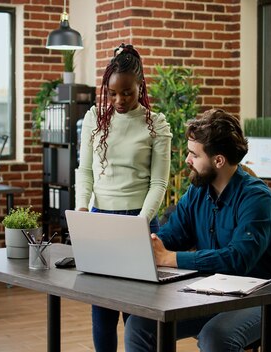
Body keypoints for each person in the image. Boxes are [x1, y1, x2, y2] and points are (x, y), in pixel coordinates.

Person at [123, 108, 271, 351]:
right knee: (141, 324)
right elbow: (174, 235)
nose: (187, 161)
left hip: (267, 297)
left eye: (194, 154)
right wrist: (148, 244)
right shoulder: (198, 191)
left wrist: (171, 258)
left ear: (219, 160)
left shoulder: (257, 199)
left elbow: (237, 259)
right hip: (215, 292)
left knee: (216, 337)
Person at [75, 43, 172, 351]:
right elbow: (85, 171)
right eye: (113, 93)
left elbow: (159, 182)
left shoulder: (156, 124)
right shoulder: (94, 119)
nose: (119, 100)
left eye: (127, 93)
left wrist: (140, 224)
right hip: (100, 219)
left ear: (140, 85)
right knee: (101, 312)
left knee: (137, 315)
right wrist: (81, 211)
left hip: (139, 219)